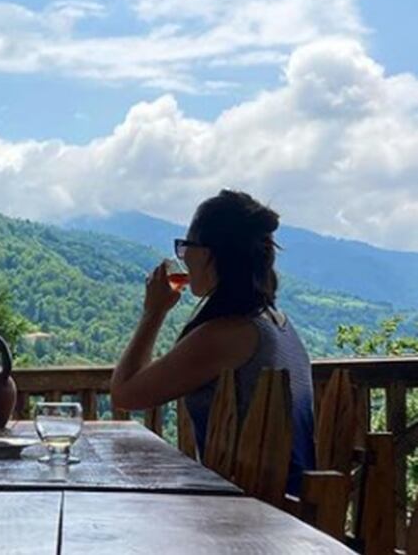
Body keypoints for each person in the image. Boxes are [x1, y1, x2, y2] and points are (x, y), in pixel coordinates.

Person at [110, 189, 314, 494]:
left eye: (185, 247)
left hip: (253, 510)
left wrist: (153, 312)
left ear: (207, 253)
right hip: (289, 503)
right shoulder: (277, 323)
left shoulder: (228, 335)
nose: (183, 257)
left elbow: (125, 394)